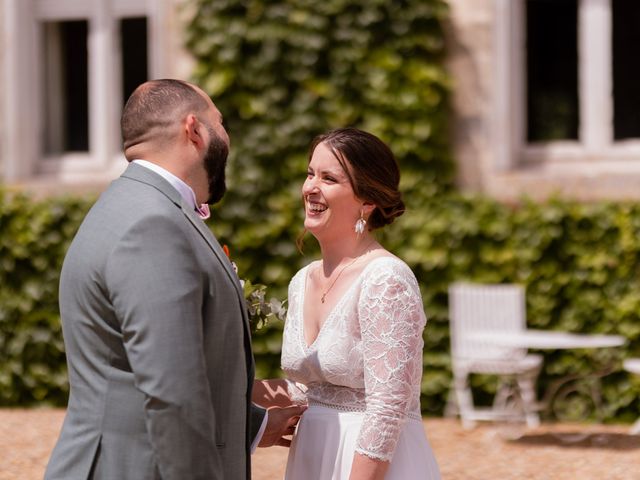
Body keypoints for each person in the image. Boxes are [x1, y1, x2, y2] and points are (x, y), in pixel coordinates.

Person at [45, 79, 304, 480]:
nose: (228, 139)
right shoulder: (153, 225)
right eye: (221, 124)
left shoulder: (128, 204)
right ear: (194, 130)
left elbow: (133, 375)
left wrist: (252, 427)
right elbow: (173, 395)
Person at [279, 128, 441, 479]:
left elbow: (387, 407)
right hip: (312, 458)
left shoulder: (386, 279)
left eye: (329, 178)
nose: (310, 188)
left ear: (367, 201)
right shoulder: (301, 281)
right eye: (310, 174)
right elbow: (309, 388)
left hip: (370, 466)